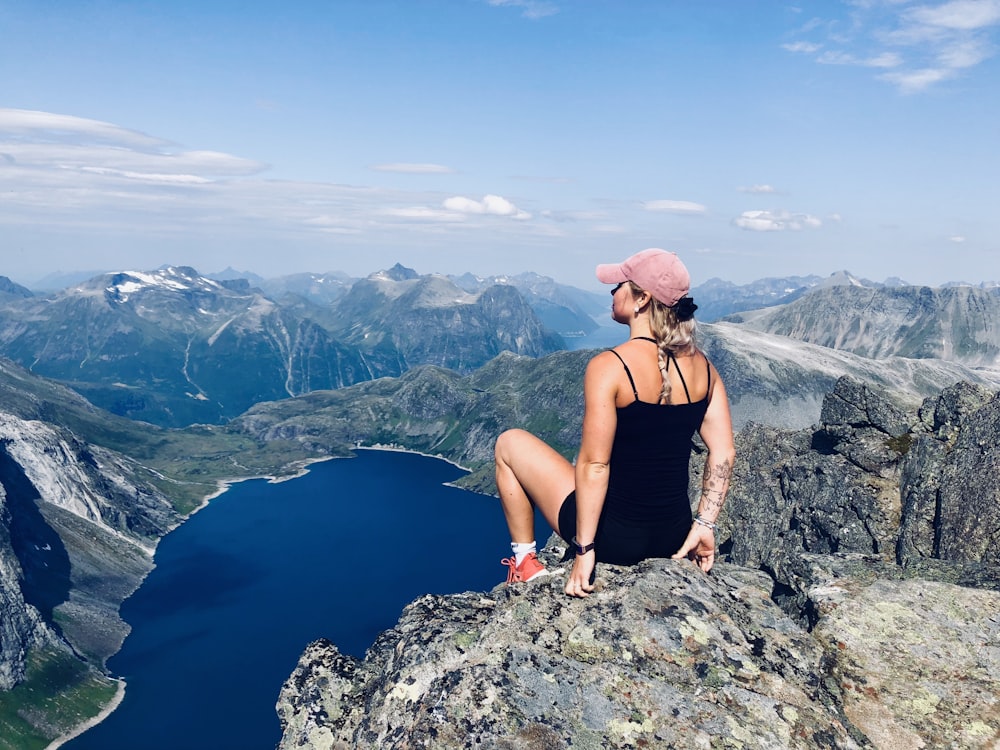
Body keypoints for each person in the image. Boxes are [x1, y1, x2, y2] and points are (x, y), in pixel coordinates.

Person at [495, 248, 735, 597]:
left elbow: (595, 465)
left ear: (641, 299)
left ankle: (525, 564)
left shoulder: (609, 367)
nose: (612, 292)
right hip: (674, 536)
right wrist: (704, 525)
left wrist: (585, 550)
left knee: (509, 443)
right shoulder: (706, 369)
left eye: (619, 285)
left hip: (614, 539)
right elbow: (724, 452)